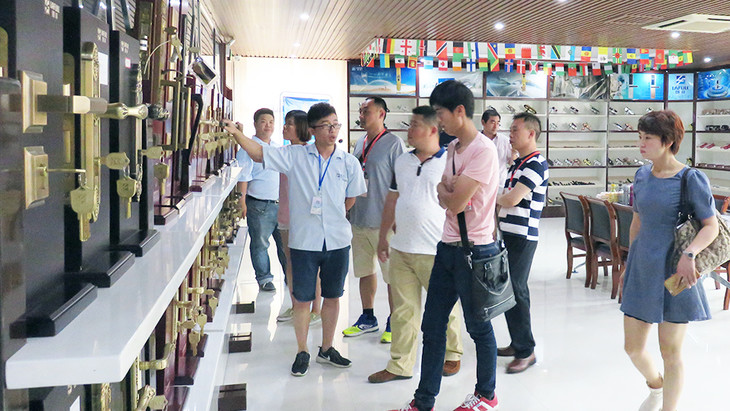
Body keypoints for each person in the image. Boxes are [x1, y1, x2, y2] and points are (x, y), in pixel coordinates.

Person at [223, 103, 366, 377]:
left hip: (337, 240)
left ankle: (327, 349)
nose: (333, 130)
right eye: (326, 126)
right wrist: (237, 134)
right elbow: (259, 153)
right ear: (312, 130)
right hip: (304, 242)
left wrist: (333, 214)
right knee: (302, 300)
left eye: (335, 125)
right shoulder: (296, 156)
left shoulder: (348, 162)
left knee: (333, 296)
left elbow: (351, 198)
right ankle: (302, 351)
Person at [391, 80, 502, 411]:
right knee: (432, 326)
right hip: (447, 246)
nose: (438, 121)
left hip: (476, 251)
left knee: (478, 327)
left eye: (440, 113)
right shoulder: (452, 149)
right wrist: (449, 191)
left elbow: (453, 202)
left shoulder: (483, 150)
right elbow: (444, 192)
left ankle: (487, 395)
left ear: (459, 111)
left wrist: (449, 192)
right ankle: (423, 401)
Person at [620, 110, 718, 411]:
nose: (641, 143)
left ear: (668, 141)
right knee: (633, 348)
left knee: (671, 352)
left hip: (675, 269)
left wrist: (690, 254)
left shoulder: (690, 179)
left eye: (648, 138)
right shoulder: (641, 175)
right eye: (640, 137)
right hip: (642, 266)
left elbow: (711, 226)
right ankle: (656, 386)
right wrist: (628, 264)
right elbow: (637, 222)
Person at [369, 106, 463, 384]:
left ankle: (452, 354)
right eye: (409, 124)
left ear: (433, 129)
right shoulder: (402, 161)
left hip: (437, 249)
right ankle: (400, 364)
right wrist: (383, 236)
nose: (409, 130)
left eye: (415, 125)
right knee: (403, 311)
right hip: (402, 248)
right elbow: (392, 198)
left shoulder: (450, 162)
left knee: (446, 309)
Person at [344, 97, 406, 343]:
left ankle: (394, 321)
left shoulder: (394, 144)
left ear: (381, 114)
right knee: (364, 271)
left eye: (366, 111)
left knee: (391, 276)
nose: (361, 115)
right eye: (360, 111)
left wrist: (397, 219)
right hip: (359, 218)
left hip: (384, 223)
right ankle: (368, 318)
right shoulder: (360, 142)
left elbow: (402, 183)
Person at [495, 112, 549, 374]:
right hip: (508, 233)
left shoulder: (536, 164)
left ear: (531, 133)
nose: (510, 135)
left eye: (515, 130)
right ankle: (517, 343)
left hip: (523, 236)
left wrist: (488, 196)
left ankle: (527, 351)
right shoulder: (518, 163)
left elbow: (512, 199)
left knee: (517, 290)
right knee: (509, 290)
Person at [275, 110, 322, 325]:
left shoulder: (311, 153)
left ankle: (316, 309)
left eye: (290, 124)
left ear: (302, 127)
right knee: (290, 262)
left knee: (312, 264)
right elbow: (260, 154)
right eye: (285, 123)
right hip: (286, 215)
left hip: (307, 217)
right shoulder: (284, 152)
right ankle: (296, 306)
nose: (285, 127)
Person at [235, 108, 287, 292]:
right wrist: (242, 202)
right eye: (263, 122)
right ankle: (264, 278)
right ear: (255, 124)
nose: (268, 126)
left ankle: (290, 277)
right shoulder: (248, 147)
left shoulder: (276, 147)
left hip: (280, 204)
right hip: (259, 205)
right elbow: (243, 176)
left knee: (285, 244)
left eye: (271, 122)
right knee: (260, 244)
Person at [481, 108, 515, 185]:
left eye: (498, 123)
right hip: (480, 183)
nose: (495, 126)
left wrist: (514, 152)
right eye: (492, 122)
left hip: (499, 183)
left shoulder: (505, 140)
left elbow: (512, 163)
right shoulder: (476, 140)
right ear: (483, 122)